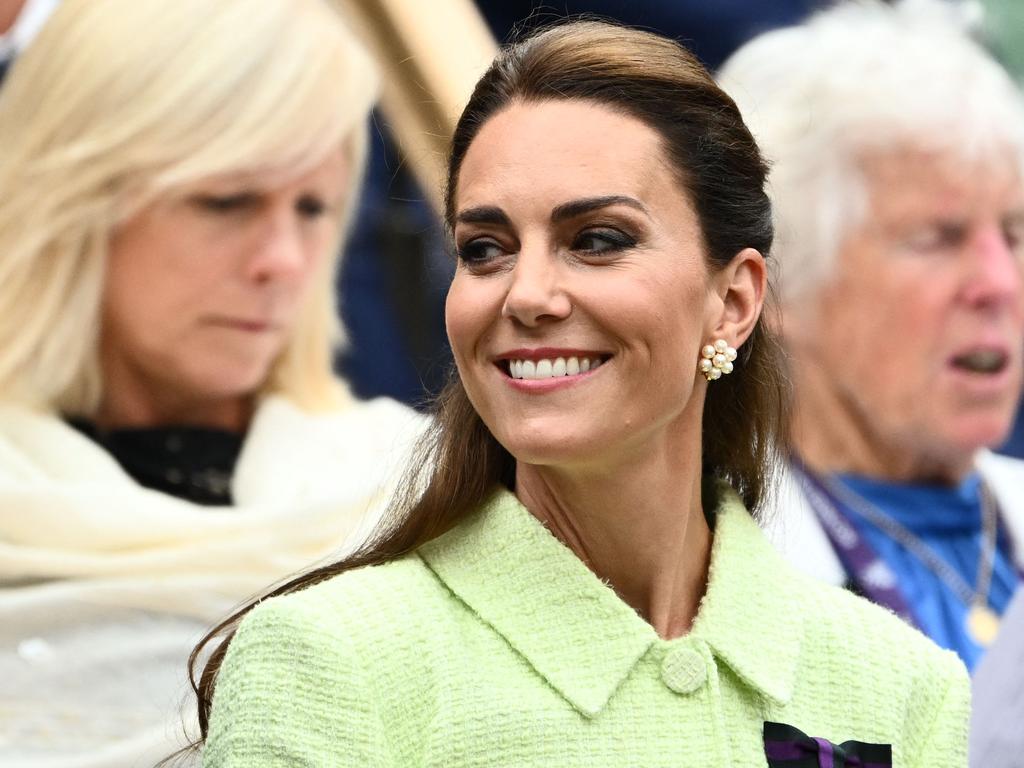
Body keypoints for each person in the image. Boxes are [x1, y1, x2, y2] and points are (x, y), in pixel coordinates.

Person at [195, 20, 969, 767]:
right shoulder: (328, 662)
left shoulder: (903, 686)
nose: (526, 294)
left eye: (597, 240)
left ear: (733, 301)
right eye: (485, 249)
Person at [0, 0, 424, 764]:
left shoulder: (417, 486)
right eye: (228, 202)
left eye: (314, 208)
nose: (284, 262)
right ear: (71, 204)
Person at [718, 0, 1024, 673]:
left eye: (1013, 234)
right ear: (785, 285)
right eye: (938, 239)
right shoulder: (704, 567)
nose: (998, 283)